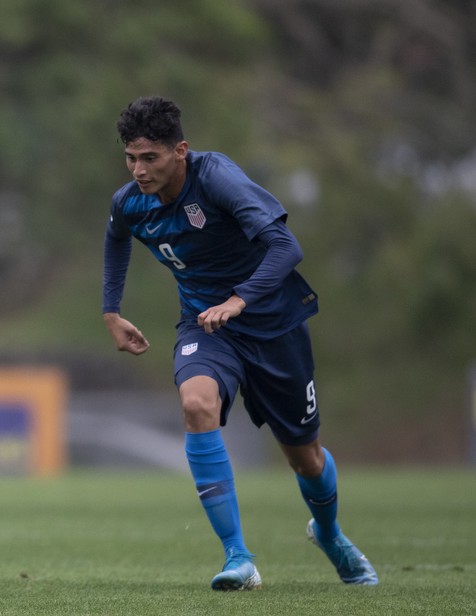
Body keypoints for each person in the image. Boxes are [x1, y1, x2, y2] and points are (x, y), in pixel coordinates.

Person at [101, 96, 378, 590]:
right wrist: (112, 310)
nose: (138, 170)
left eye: (150, 158)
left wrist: (239, 300)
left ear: (180, 150)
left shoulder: (218, 179)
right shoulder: (130, 201)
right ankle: (238, 558)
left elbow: (286, 247)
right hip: (206, 328)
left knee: (305, 457)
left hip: (275, 326)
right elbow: (116, 236)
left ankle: (331, 534)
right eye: (130, 158)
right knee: (196, 404)